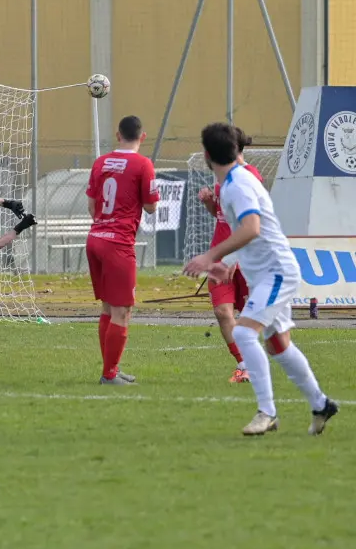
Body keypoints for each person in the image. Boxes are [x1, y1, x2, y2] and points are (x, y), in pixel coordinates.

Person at [185, 123, 338, 437]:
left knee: (243, 333)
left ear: (206, 155)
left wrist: (210, 257)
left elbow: (252, 228)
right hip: (266, 273)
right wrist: (226, 263)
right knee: (278, 345)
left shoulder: (236, 185)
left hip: (276, 272)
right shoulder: (233, 182)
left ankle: (267, 412)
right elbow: (252, 232)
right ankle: (321, 404)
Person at [85, 115, 160, 385]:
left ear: (118, 136)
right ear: (142, 136)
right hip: (118, 244)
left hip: (95, 239)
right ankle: (109, 374)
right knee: (123, 311)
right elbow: (151, 207)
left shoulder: (101, 162)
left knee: (108, 308)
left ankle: (111, 371)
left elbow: (92, 207)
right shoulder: (143, 164)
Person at [196, 127, 262, 383]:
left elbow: (253, 224)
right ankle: (244, 365)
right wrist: (210, 203)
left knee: (252, 319)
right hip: (220, 257)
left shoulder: (249, 176)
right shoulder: (223, 176)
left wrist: (236, 258)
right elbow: (223, 217)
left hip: (244, 259)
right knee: (223, 312)